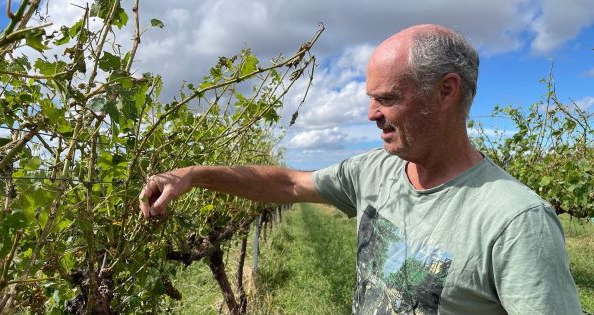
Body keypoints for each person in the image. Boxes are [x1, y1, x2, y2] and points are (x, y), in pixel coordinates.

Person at [139, 24, 583, 314]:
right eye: (371, 99)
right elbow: (291, 184)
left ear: (446, 92)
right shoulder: (375, 171)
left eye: (387, 98)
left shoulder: (516, 222)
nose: (372, 114)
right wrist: (196, 174)